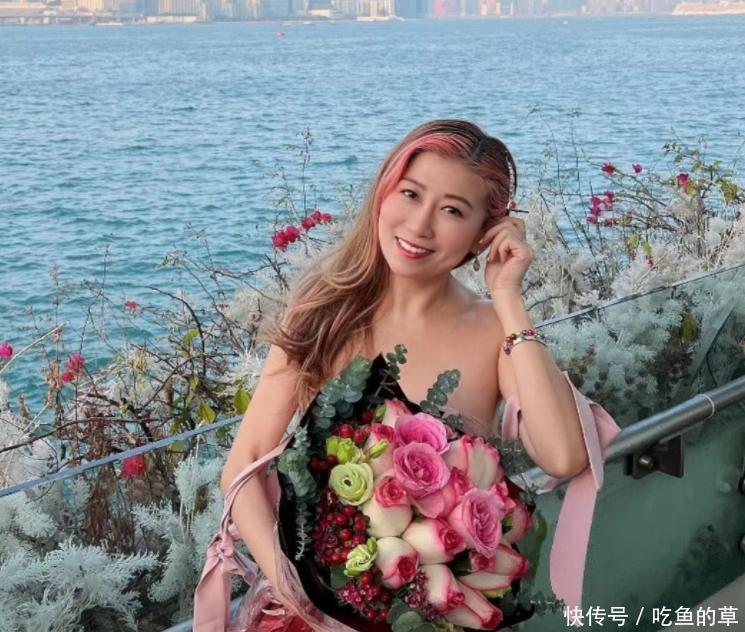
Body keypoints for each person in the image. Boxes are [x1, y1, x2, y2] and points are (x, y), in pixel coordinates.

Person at [218, 119, 591, 630]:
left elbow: (564, 456)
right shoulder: (323, 309)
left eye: (452, 210)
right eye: (410, 193)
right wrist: (303, 596)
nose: (419, 225)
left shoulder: (493, 329)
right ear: (384, 191)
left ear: (484, 233)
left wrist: (508, 298)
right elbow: (242, 467)